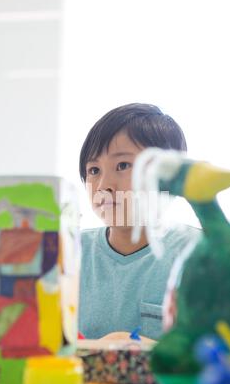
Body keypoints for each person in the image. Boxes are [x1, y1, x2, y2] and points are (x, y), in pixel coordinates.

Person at [78, 103, 198, 340]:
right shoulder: (70, 251)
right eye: (93, 170)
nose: (103, 185)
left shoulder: (197, 253)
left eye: (123, 165)